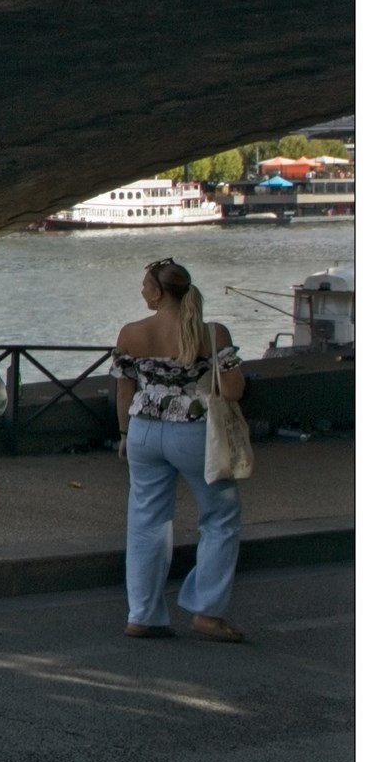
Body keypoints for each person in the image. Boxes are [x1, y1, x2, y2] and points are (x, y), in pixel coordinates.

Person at [113, 257, 247, 642]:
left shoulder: (130, 333)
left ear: (157, 292)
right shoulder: (212, 333)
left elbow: (124, 390)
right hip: (193, 431)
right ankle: (207, 611)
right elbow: (234, 389)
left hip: (142, 431)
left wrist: (123, 434)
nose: (141, 291)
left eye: (144, 285)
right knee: (220, 517)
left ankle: (143, 614)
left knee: (146, 523)